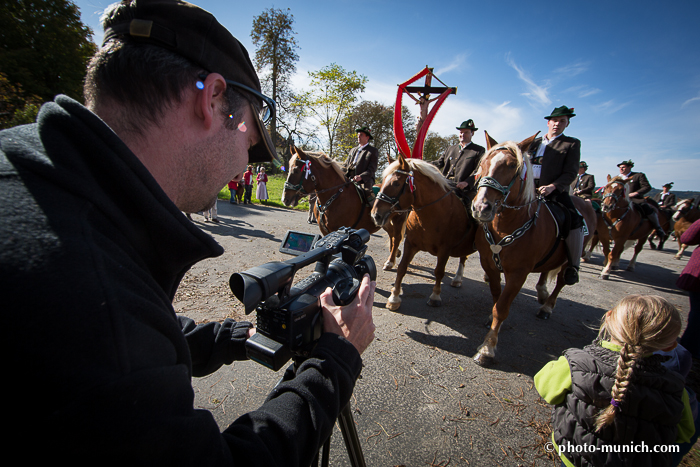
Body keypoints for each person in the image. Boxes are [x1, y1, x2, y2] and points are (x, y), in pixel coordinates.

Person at [0, 0, 376, 465]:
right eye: (251, 142)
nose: (245, 163)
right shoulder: (95, 308)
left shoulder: (34, 174)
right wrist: (334, 360)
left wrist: (235, 336)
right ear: (211, 99)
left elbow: (144, 330)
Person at [535, 295, 696, 467]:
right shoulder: (675, 388)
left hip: (576, 456)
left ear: (608, 318)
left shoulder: (577, 363)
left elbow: (545, 388)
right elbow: (684, 433)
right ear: (670, 346)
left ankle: (572, 267)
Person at [526, 105, 583, 285]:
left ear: (567, 124)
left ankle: (573, 265)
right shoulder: (534, 142)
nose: (558, 124)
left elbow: (571, 172)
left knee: (575, 219)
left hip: (553, 193)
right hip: (527, 191)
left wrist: (553, 186)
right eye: (555, 120)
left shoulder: (571, 143)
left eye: (562, 121)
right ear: (548, 122)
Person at [433, 119, 486, 198]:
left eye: (466, 132)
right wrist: (421, 165)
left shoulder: (479, 150)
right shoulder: (450, 149)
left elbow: (478, 171)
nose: (463, 135)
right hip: (445, 187)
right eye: (461, 132)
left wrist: (467, 182)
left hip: (465, 191)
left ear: (472, 133)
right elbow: (438, 163)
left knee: (472, 208)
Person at [617, 159, 666, 237]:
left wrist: (635, 193)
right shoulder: (617, 178)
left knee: (647, 208)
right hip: (619, 200)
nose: (621, 169)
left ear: (630, 167)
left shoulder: (638, 175)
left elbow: (647, 187)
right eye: (620, 167)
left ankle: (657, 227)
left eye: (623, 167)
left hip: (635, 199)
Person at [679, 219, 700, 359]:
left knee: (698, 313)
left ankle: (659, 227)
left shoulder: (670, 195)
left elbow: (687, 238)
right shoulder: (658, 194)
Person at [345, 126, 378, 202]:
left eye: (361, 135)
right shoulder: (352, 150)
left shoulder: (373, 150)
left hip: (365, 181)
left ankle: (374, 212)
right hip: (349, 178)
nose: (358, 137)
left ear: (367, 137)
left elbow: (372, 168)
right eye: (358, 135)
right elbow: (345, 165)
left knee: (368, 193)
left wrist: (361, 176)